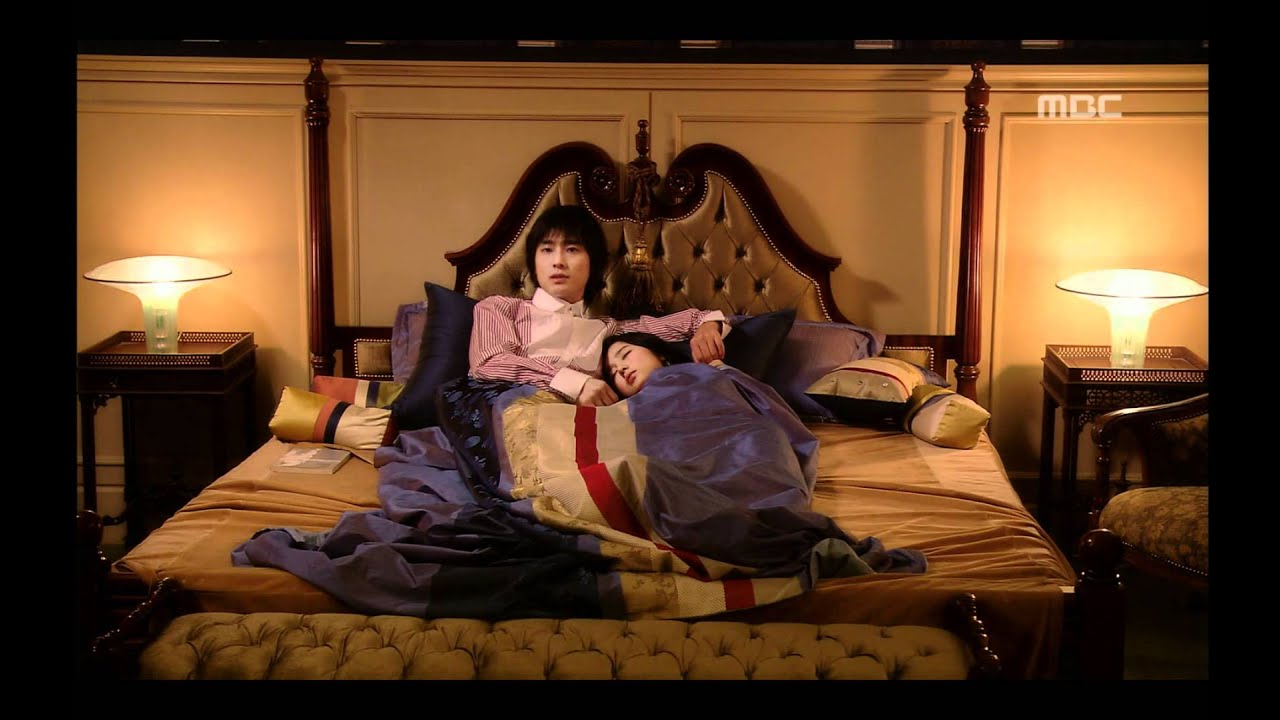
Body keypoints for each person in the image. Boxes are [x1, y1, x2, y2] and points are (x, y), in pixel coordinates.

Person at [469, 204, 727, 406]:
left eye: (572, 249)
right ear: (533, 261)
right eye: (547, 250)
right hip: (510, 415)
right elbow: (490, 362)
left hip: (583, 430)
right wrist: (576, 383)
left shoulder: (607, 331)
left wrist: (708, 327)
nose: (558, 261)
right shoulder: (500, 308)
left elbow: (690, 321)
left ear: (593, 263)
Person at [601, 331, 700, 398]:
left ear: (658, 352)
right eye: (613, 373)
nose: (620, 369)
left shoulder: (701, 367)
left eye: (625, 354)